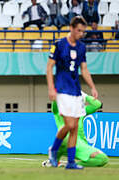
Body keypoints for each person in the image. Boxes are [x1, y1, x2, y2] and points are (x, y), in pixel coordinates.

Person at [46, 16, 98, 169]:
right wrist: (51, 88)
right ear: (71, 28)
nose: (81, 34)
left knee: (74, 126)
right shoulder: (59, 45)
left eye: (83, 31)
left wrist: (92, 87)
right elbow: (49, 67)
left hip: (76, 91)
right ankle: (54, 150)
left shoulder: (81, 47)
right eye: (79, 30)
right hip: (62, 89)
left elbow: (84, 69)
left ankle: (70, 162)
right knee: (69, 124)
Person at [42, 92, 108, 167]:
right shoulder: (59, 110)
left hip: (79, 144)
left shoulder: (81, 111)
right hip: (66, 140)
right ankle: (54, 157)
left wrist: (84, 96)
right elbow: (56, 100)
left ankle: (64, 163)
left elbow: (97, 105)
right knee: (65, 138)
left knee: (103, 159)